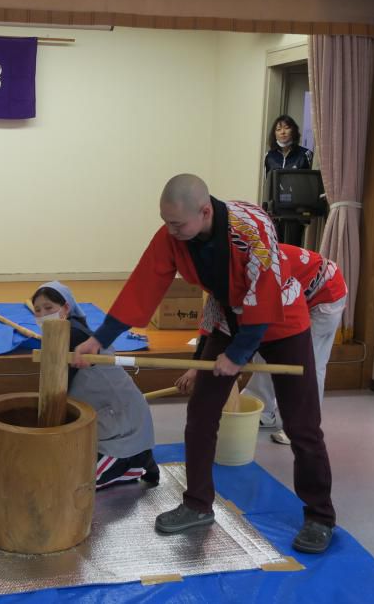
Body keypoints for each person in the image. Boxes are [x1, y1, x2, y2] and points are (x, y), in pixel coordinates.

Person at [74, 174, 336, 554]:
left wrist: (237, 357)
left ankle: (320, 516)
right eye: (165, 221)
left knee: (302, 425)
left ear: (205, 210)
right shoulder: (174, 235)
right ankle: (197, 503)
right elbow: (142, 286)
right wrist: (100, 339)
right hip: (227, 317)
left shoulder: (252, 229)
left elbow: (263, 297)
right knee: (200, 415)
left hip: (280, 318)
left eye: (177, 223)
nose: (170, 230)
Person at [32, 281, 159, 489]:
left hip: (121, 423)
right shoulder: (69, 332)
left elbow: (56, 389)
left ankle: (132, 462)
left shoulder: (76, 335)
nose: (43, 314)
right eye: (38, 310)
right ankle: (131, 462)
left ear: (65, 308)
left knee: (70, 485)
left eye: (49, 308)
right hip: (106, 415)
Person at [244, 245, 348, 445]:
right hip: (299, 293)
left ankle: (303, 424)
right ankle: (263, 410)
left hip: (326, 294)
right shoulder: (241, 261)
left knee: (309, 361)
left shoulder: (263, 264)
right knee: (268, 350)